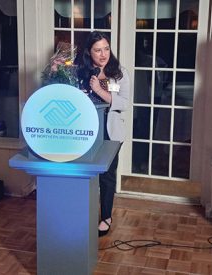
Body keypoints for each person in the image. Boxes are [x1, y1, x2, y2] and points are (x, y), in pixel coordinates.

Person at [78, 31, 130, 237]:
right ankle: (84, 212)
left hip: (111, 132)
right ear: (89, 52)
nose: (103, 54)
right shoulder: (80, 72)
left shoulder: (119, 73)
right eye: (97, 50)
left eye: (106, 48)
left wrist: (99, 91)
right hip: (86, 132)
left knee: (107, 176)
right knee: (86, 174)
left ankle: (106, 217)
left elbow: (125, 103)